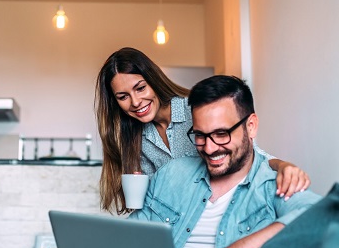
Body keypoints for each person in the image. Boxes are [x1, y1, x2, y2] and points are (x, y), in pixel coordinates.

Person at [0, 75, 320, 248]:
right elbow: (137, 235)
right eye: (200, 136)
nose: (210, 148)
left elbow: (317, 218)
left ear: (251, 125)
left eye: (222, 134)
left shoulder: (275, 183)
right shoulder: (174, 174)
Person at [96, 47, 310, 214]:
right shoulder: (136, 137)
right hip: (181, 223)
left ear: (153, 81)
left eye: (140, 88)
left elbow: (249, 154)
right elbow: (152, 197)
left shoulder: (195, 111)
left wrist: (283, 166)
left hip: (222, 208)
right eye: (123, 97)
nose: (135, 102)